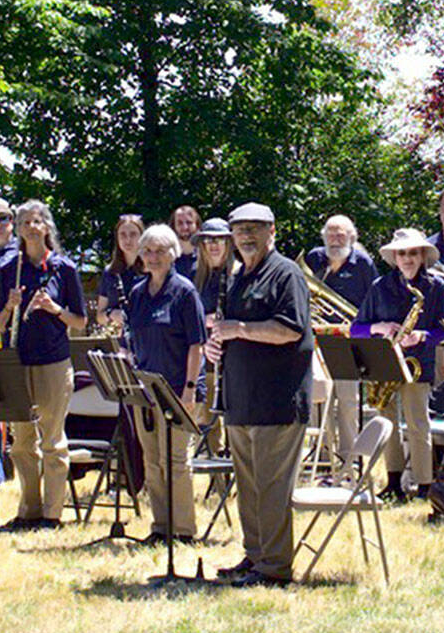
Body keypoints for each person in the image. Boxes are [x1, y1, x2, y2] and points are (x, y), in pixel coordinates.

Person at [207, 203, 312, 588]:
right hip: (241, 399)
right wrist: (215, 346)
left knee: (270, 487)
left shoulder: (286, 274)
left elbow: (290, 330)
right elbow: (228, 331)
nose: (246, 236)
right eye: (240, 230)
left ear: (272, 231)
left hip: (277, 400)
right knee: (248, 485)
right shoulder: (237, 278)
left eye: (254, 228)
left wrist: (239, 329)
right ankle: (255, 556)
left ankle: (275, 567)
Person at [0, 200, 87, 530]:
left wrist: (54, 309)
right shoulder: (8, 270)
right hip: (17, 361)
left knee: (52, 439)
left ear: (46, 227)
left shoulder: (65, 269)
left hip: (53, 362)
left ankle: (52, 513)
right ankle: (28, 510)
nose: (31, 227)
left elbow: (80, 322)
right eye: (25, 222)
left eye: (37, 221)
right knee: (20, 442)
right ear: (18, 230)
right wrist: (9, 306)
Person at [351, 229, 444, 501]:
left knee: (419, 423)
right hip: (384, 363)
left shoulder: (435, 287)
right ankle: (393, 482)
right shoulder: (379, 286)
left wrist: (423, 336)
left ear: (422, 257)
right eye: (402, 253)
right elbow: (355, 329)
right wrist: (378, 327)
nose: (407, 258)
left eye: (413, 253)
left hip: (418, 362)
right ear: (395, 257)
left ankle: (424, 485)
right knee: (387, 422)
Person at [127, 224, 207, 544]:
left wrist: (189, 389)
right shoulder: (136, 293)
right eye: (147, 251)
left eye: (160, 251)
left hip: (178, 388)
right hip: (146, 389)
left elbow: (196, 345)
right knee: (153, 461)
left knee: (175, 460)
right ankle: (161, 527)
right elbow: (133, 339)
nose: (153, 257)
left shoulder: (185, 291)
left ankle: (183, 531)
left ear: (173, 254)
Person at [303, 214, 378, 464]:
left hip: (348, 341)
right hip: (317, 341)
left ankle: (349, 460)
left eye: (341, 234)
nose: (335, 239)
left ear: (352, 237)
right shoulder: (314, 259)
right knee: (318, 399)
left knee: (347, 402)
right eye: (331, 234)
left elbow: (373, 301)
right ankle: (322, 459)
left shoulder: (363, 264)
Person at [192, 218, 235, 454]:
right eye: (208, 240)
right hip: (206, 358)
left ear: (228, 243)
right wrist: (207, 322)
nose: (213, 245)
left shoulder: (238, 273)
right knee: (208, 422)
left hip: (235, 358)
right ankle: (217, 482)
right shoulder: (196, 277)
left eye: (219, 240)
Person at [97, 214, 145, 336]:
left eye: (133, 234)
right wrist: (111, 314)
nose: (128, 240)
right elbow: (99, 316)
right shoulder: (110, 272)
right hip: (120, 340)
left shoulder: (151, 269)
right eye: (122, 235)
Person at [170, 205, 202, 280]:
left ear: (197, 225)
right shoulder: (167, 257)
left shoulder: (206, 256)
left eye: (189, 222)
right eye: (180, 223)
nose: (185, 227)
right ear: (174, 226)